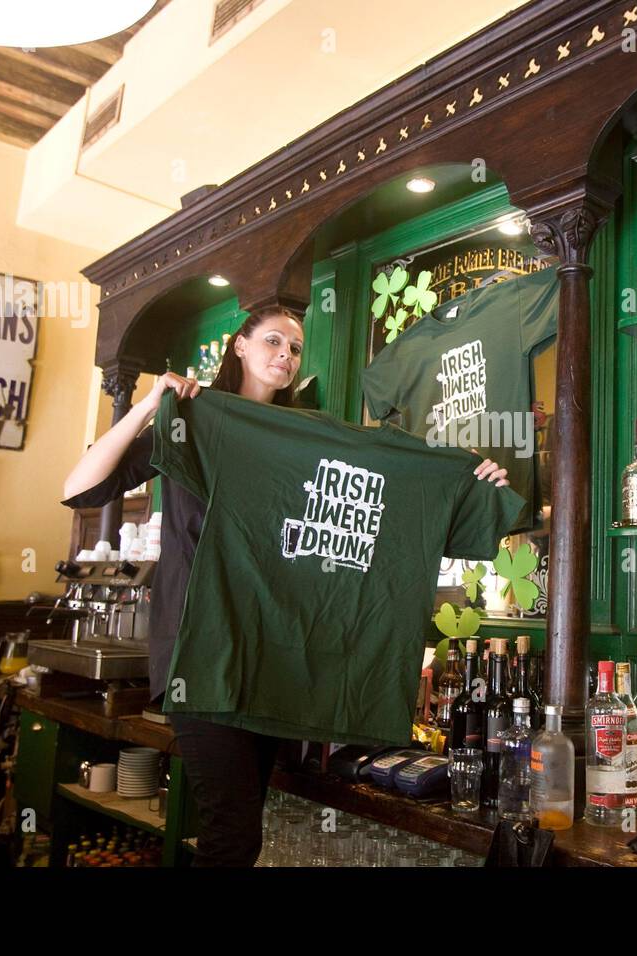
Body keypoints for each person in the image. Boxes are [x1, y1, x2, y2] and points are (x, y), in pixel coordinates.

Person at [61, 307, 509, 865]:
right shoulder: (194, 421)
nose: (285, 356)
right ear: (238, 346)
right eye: (273, 341)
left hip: (270, 659)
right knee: (233, 837)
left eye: (295, 349)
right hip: (200, 653)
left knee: (242, 832)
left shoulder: (307, 440)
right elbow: (80, 489)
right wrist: (152, 405)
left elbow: (377, 512)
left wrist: (468, 486)